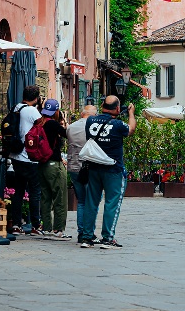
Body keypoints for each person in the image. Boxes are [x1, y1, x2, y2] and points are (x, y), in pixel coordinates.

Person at [85, 96, 135, 249]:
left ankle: (86, 237)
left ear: (102, 105)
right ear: (118, 109)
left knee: (91, 202)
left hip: (93, 167)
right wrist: (131, 113)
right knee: (112, 203)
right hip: (113, 169)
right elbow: (131, 129)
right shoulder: (118, 124)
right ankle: (107, 237)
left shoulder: (90, 121)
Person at [7, 86, 44, 235]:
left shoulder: (16, 108)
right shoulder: (32, 111)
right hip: (29, 157)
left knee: (19, 191)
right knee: (35, 191)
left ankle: (16, 224)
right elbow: (42, 127)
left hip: (16, 156)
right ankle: (36, 224)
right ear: (36, 98)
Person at [38, 99, 70, 241]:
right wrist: (65, 122)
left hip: (42, 164)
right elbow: (68, 134)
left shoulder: (39, 122)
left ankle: (46, 228)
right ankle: (58, 229)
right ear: (56, 111)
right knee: (60, 197)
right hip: (54, 165)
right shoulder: (53, 124)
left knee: (45, 197)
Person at [67, 104, 97, 248]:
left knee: (81, 201)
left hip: (73, 166)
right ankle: (88, 232)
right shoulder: (94, 127)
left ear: (81, 114)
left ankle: (81, 232)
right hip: (88, 167)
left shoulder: (71, 127)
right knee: (91, 201)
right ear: (93, 115)